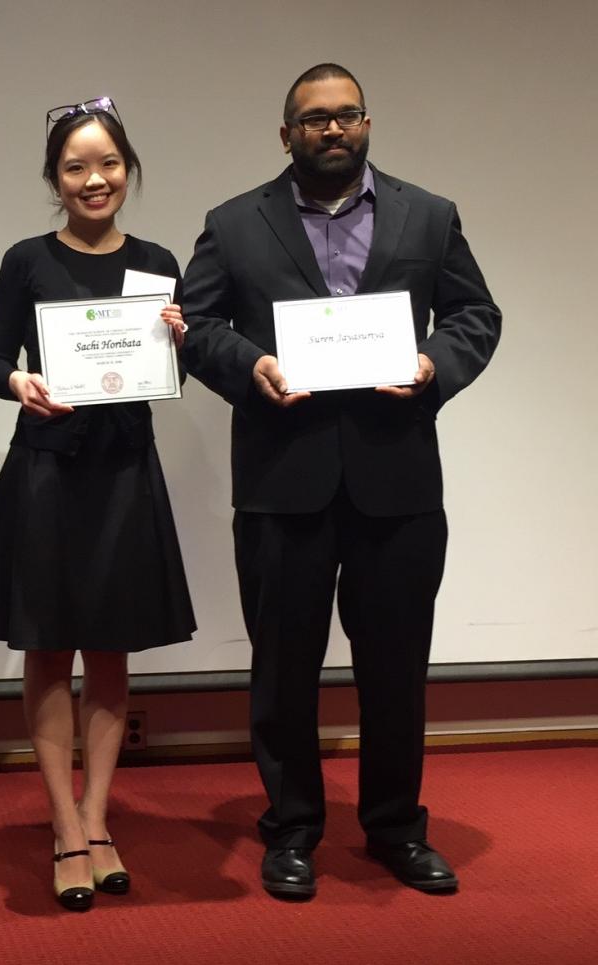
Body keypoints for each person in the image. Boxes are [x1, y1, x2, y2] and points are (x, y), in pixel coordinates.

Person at [181, 64, 501, 898]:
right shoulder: (232, 222)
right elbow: (196, 325)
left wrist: (436, 363)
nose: (332, 129)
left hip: (397, 487)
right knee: (282, 671)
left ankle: (396, 826)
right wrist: (250, 364)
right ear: (284, 133)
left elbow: (476, 315)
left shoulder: (429, 215)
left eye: (347, 115)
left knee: (396, 667)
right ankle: (291, 832)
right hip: (282, 485)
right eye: (313, 119)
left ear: (367, 124)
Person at [0, 98, 195, 911]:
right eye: (76, 167)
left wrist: (177, 343)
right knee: (50, 650)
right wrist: (17, 381)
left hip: (125, 471)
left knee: (113, 652)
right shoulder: (26, 258)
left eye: (109, 164)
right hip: (48, 471)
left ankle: (98, 818)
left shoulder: (159, 260)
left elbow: (172, 379)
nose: (95, 180)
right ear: (55, 179)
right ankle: (63, 822)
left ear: (129, 169)